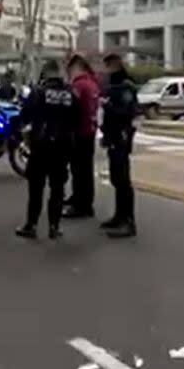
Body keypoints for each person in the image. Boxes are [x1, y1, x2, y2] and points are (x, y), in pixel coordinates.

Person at [16, 60, 80, 240]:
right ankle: (54, 226)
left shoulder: (39, 93)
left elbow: (25, 115)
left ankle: (31, 225)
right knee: (58, 188)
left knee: (36, 188)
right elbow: (77, 120)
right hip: (63, 147)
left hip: (41, 146)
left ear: (44, 75)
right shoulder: (70, 94)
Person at [100, 53, 138, 238]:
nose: (106, 70)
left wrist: (107, 106)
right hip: (113, 136)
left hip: (121, 136)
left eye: (108, 66)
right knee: (116, 178)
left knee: (123, 179)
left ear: (115, 65)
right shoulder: (113, 84)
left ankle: (128, 221)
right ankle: (119, 216)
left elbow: (127, 112)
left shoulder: (126, 85)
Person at [63, 54, 101, 219]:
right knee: (85, 169)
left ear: (76, 67)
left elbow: (73, 109)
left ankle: (81, 204)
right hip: (89, 131)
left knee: (79, 170)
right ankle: (83, 200)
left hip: (79, 132)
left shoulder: (78, 86)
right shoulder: (92, 83)